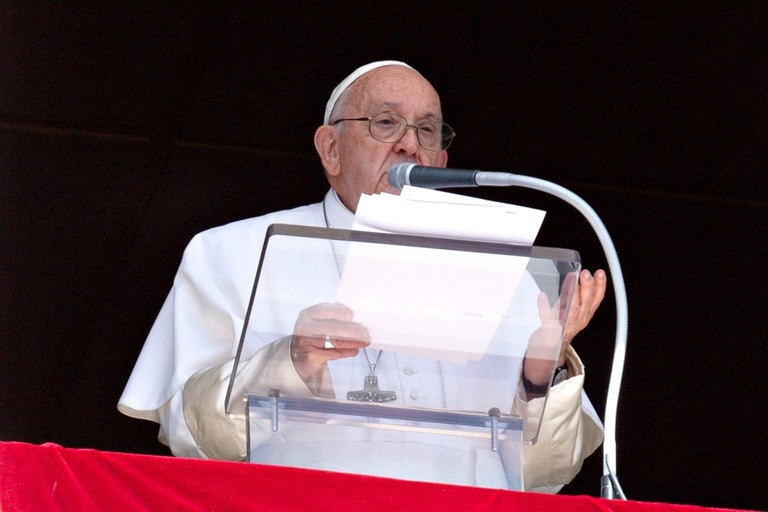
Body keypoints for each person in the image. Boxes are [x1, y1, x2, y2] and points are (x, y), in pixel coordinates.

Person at [118, 60, 607, 492]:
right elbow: (189, 435)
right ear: (331, 149)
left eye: (428, 131)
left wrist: (541, 375)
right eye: (386, 123)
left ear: (440, 162)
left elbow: (546, 474)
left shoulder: (508, 274)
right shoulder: (229, 251)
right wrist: (289, 363)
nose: (410, 146)